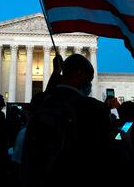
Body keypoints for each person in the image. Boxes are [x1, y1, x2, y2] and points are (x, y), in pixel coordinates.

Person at [20, 53, 112, 187]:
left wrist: (57, 72)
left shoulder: (40, 104)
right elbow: (103, 157)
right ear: (81, 74)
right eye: (90, 79)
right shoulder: (93, 108)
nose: (90, 85)